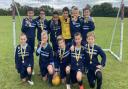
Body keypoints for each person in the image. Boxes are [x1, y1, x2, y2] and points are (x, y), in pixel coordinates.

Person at [21, 7, 36, 74]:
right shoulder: (25, 20)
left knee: (31, 54)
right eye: (29, 13)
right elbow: (22, 29)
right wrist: (27, 24)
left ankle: (31, 68)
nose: (30, 14)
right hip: (26, 41)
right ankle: (26, 67)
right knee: (26, 54)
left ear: (33, 14)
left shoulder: (34, 21)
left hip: (32, 41)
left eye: (31, 13)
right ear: (27, 13)